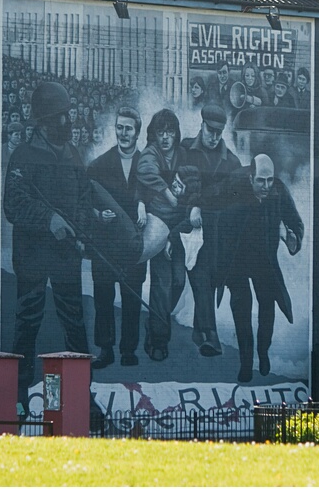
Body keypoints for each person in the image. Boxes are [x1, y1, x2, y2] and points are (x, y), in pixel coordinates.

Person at [3, 81, 92, 418]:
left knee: (75, 322)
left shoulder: (72, 154)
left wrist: (81, 230)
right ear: (43, 121)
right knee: (28, 321)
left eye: (68, 116)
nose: (68, 122)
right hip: (33, 256)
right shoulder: (23, 157)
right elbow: (14, 204)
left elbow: (82, 198)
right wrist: (49, 219)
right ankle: (19, 394)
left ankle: (84, 392)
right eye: (61, 117)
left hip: (66, 254)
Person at [214, 154, 304, 383]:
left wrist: (293, 237)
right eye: (260, 181)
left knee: (268, 305)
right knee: (242, 309)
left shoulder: (278, 190)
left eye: (269, 180)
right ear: (250, 176)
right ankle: (246, 363)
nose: (266, 186)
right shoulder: (234, 186)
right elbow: (216, 217)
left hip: (264, 258)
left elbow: (296, 221)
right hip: (237, 259)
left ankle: (263, 352)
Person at [180, 104, 242, 357]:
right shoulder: (184, 150)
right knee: (201, 278)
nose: (214, 136)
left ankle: (198, 329)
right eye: (210, 130)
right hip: (190, 228)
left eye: (219, 132)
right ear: (201, 124)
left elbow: (239, 200)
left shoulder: (232, 162)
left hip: (218, 233)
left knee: (208, 279)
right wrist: (190, 210)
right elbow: (176, 186)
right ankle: (211, 335)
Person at [88, 107, 147, 369]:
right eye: (119, 127)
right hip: (104, 244)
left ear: (138, 132)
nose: (123, 133)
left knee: (132, 298)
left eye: (128, 128)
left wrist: (145, 204)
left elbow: (160, 203)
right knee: (103, 298)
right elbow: (83, 204)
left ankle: (128, 350)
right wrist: (99, 215)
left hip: (135, 246)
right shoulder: (98, 165)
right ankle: (105, 349)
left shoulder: (148, 166)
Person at [136, 109, 188, 362]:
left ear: (177, 133)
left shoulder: (183, 155)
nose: (166, 137)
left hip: (179, 228)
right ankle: (158, 340)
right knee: (162, 285)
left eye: (170, 131)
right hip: (157, 225)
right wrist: (167, 192)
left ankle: (157, 319)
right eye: (161, 132)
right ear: (154, 134)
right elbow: (145, 170)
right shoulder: (151, 153)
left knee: (178, 282)